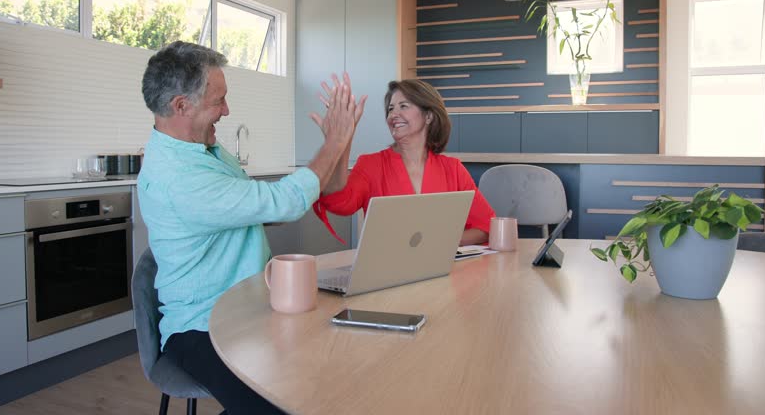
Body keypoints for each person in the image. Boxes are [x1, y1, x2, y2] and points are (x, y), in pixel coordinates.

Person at [136, 41, 366, 414]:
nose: (226, 111)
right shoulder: (177, 177)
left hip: (251, 310)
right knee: (284, 404)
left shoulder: (205, 150)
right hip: (201, 328)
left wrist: (340, 142)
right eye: (218, 101)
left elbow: (266, 206)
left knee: (334, 372)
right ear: (182, 106)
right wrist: (334, 142)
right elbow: (283, 203)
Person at [313, 78, 496, 246]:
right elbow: (339, 202)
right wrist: (341, 140)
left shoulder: (453, 169)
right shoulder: (371, 165)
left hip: (442, 274)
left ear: (429, 116)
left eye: (403, 106)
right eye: (391, 109)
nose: (394, 114)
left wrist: (440, 242)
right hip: (387, 273)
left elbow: (486, 227)